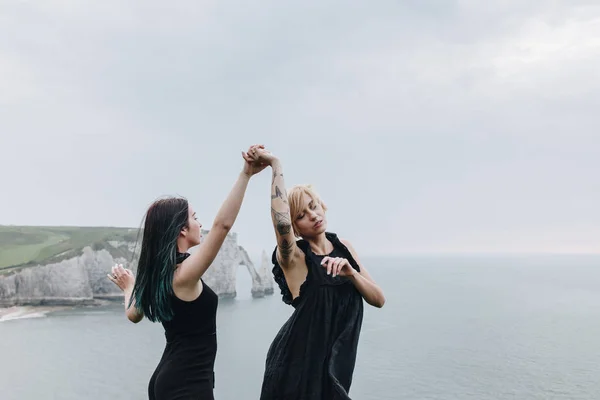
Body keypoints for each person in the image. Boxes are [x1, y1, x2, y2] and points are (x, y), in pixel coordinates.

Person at [108, 144, 267, 400]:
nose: (200, 223)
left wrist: (129, 288)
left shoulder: (159, 276)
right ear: (182, 229)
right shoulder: (183, 276)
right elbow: (222, 226)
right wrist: (246, 175)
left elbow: (133, 315)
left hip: (171, 381)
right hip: (187, 385)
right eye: (195, 217)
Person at [248, 146, 386, 400]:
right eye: (301, 215)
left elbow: (378, 299)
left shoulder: (345, 248)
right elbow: (280, 222)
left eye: (313, 206)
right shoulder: (295, 258)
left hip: (334, 370)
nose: (313, 215)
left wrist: (352, 274)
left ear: (322, 205)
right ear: (296, 228)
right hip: (296, 370)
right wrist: (276, 165)